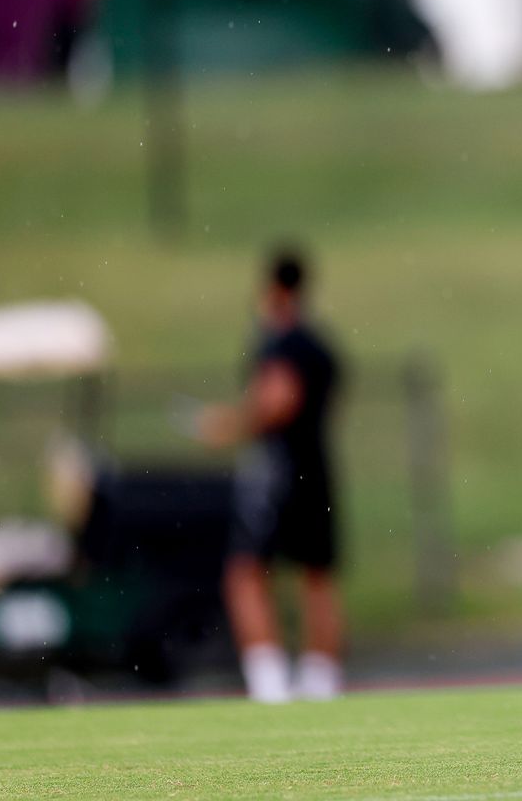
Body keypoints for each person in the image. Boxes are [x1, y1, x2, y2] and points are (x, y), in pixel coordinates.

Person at [199, 247, 345, 703]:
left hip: (280, 472)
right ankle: (321, 678)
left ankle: (269, 682)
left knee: (246, 571)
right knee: (317, 574)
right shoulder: (321, 345)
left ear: (275, 289)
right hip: (318, 466)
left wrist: (232, 424)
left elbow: (279, 400)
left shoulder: (282, 343)